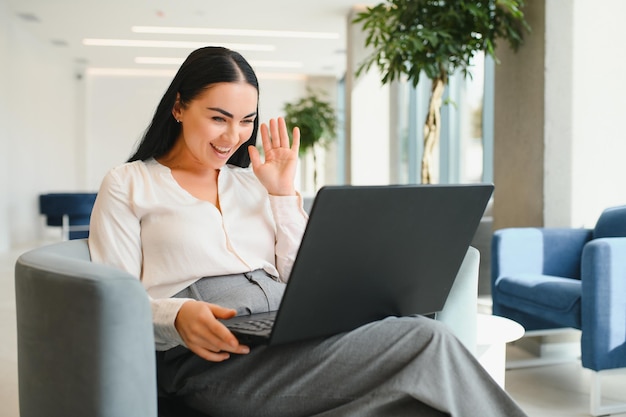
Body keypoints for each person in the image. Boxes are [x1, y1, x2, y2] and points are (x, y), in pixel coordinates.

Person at [88, 46, 527, 417]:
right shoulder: (129, 183)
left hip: (288, 332)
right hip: (214, 359)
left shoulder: (250, 181)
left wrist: (281, 194)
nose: (233, 137)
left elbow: (300, 275)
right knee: (424, 338)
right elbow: (112, 301)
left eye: (246, 121)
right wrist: (176, 317)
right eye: (219, 118)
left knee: (416, 397)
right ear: (179, 106)